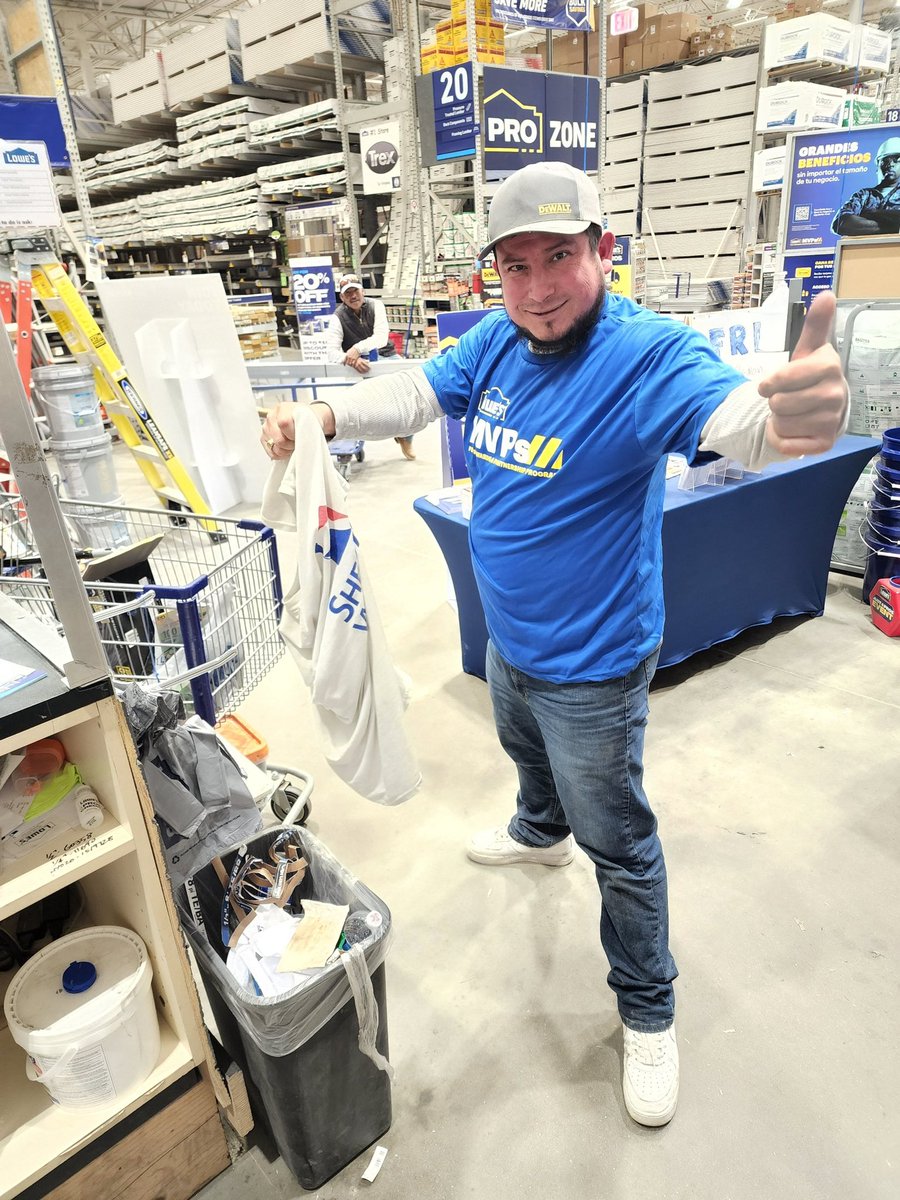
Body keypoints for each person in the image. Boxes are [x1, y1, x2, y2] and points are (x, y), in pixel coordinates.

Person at [262, 163, 848, 1127]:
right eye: (516, 265)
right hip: (512, 637)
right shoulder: (496, 340)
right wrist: (325, 414)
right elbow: (415, 397)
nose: (537, 288)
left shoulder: (644, 355)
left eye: (560, 258)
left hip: (597, 664)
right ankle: (539, 831)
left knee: (618, 840)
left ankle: (650, 1008)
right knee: (522, 750)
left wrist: (786, 420)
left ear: (602, 253)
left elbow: (737, 421)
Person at [325, 272, 415, 460]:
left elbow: (381, 338)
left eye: (355, 291)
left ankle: (406, 436)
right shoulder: (337, 318)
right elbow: (332, 353)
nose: (353, 296)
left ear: (363, 291)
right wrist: (350, 359)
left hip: (386, 356)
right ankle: (351, 445)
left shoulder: (376, 306)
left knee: (410, 390)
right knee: (364, 406)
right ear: (341, 297)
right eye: (347, 293)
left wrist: (357, 348)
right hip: (358, 366)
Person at [832, 136, 900, 235]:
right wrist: (892, 227)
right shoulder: (863, 195)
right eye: (885, 160)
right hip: (862, 249)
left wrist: (872, 213)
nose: (890, 164)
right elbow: (841, 223)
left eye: (896, 160)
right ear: (878, 164)